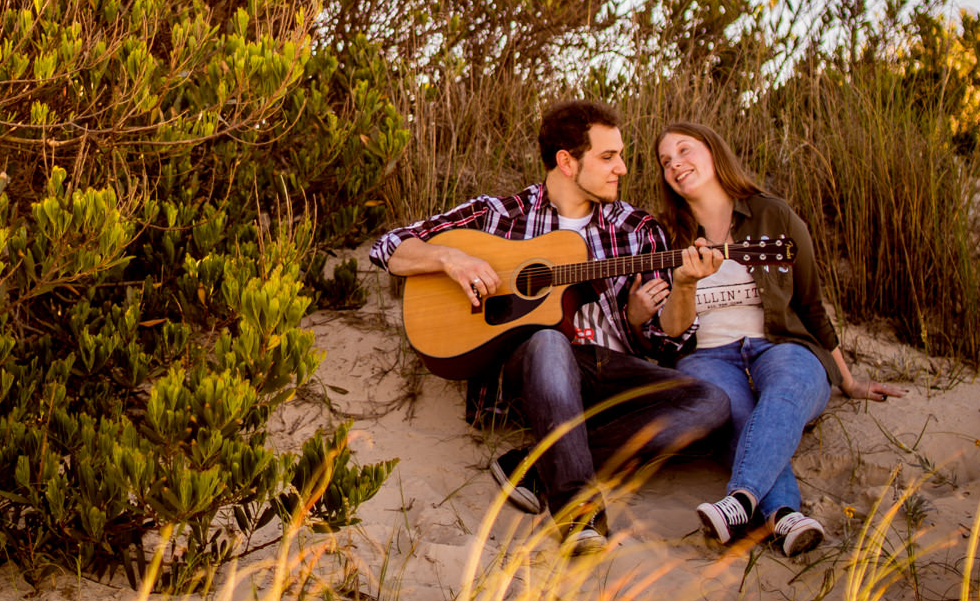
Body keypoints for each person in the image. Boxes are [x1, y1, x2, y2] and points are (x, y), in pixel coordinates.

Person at [370, 99, 732, 552]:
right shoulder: (501, 216)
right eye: (607, 156)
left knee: (710, 402)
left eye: (621, 154)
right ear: (566, 161)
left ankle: (533, 465)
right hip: (532, 372)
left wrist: (681, 289)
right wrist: (449, 257)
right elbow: (389, 247)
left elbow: (665, 338)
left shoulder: (639, 230)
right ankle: (578, 510)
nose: (622, 167)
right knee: (547, 339)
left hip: (609, 374)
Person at [646, 121, 903, 557]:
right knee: (734, 411)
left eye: (685, 150)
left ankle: (740, 500)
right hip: (707, 356)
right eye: (666, 161)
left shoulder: (774, 215)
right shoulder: (663, 233)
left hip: (781, 346)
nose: (676, 164)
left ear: (713, 151)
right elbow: (671, 329)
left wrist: (849, 381)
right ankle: (784, 516)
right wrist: (685, 283)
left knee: (785, 387)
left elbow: (811, 306)